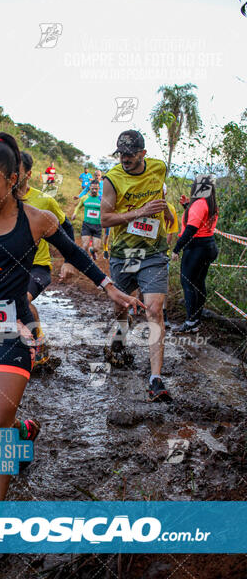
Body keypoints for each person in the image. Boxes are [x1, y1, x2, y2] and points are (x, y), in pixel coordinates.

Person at [0, 132, 143, 508]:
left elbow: (77, 257)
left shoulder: (37, 220)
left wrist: (111, 288)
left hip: (15, 333)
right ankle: (24, 430)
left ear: (12, 179)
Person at [101, 129, 175, 403]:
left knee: (155, 311)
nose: (125, 159)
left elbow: (158, 192)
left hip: (154, 253)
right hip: (124, 253)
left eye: (131, 154)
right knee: (121, 308)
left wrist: (164, 209)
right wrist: (139, 213)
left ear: (144, 153)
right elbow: (105, 220)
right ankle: (120, 336)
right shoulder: (112, 179)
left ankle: (156, 379)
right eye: (121, 153)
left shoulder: (159, 167)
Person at [18, 151, 75, 365]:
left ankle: (38, 344)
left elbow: (66, 225)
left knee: (22, 299)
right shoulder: (2, 200)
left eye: (18, 169)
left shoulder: (44, 200)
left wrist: (69, 260)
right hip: (12, 268)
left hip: (38, 267)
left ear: (28, 174)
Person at [172, 174, 218, 333]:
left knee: (188, 284)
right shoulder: (210, 203)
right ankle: (196, 319)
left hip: (196, 248)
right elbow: (200, 220)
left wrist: (177, 248)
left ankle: (191, 321)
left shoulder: (199, 203)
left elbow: (191, 229)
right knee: (198, 283)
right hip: (208, 246)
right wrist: (187, 207)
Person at [71, 180, 102, 260]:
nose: (94, 190)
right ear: (89, 188)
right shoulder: (85, 198)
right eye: (93, 189)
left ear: (99, 188)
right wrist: (75, 213)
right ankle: (86, 263)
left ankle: (92, 251)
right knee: (85, 246)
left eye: (96, 189)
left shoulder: (102, 198)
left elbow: (107, 210)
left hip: (98, 225)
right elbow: (78, 206)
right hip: (87, 225)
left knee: (96, 248)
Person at [162, 184, 179, 330]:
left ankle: (164, 313)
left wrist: (162, 249)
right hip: (141, 250)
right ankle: (137, 304)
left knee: (164, 283)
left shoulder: (170, 208)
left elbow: (170, 233)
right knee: (137, 279)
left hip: (161, 253)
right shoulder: (144, 206)